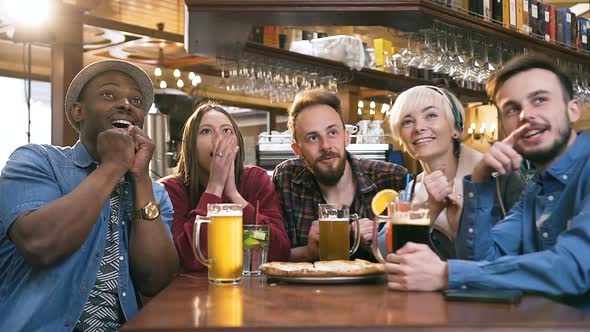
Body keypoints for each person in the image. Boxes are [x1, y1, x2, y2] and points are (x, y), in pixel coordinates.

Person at [384, 54, 590, 310]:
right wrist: (479, 182)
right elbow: (481, 258)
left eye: (540, 100)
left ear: (573, 109)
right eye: (513, 109)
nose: (526, 115)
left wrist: (447, 274)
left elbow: (576, 268)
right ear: (503, 124)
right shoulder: (537, 189)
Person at [0, 60, 179, 331]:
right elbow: (40, 245)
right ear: (78, 110)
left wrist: (141, 178)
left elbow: (156, 280)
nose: (126, 104)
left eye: (136, 99)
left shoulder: (153, 192)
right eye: (109, 94)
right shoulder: (37, 161)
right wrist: (113, 165)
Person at [386, 85, 525, 259]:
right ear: (401, 138)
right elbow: (390, 255)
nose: (418, 127)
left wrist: (467, 225)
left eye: (431, 115)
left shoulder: (500, 176)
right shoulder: (409, 192)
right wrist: (431, 208)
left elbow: (528, 252)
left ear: (456, 129)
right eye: (407, 121)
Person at [273, 88, 407, 262]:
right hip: (306, 289)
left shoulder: (392, 178)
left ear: (346, 137)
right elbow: (268, 256)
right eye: (313, 138)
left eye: (332, 133)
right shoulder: (286, 178)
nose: (326, 146)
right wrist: (309, 252)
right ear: (297, 150)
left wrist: (379, 243)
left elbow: (420, 259)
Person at [159, 102, 290, 272]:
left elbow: (278, 253)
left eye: (226, 131)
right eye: (206, 131)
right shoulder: (170, 190)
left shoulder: (255, 180)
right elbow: (190, 260)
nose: (219, 138)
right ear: (190, 145)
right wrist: (215, 187)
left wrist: (234, 196)